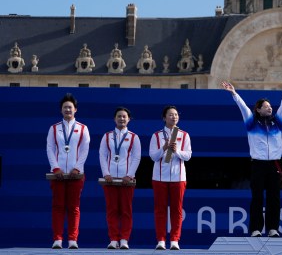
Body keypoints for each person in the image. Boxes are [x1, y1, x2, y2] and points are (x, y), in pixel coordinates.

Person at [221, 80, 282, 237]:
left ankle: (273, 228)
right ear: (258, 110)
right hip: (258, 165)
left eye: (270, 106)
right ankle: (256, 229)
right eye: (266, 106)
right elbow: (243, 108)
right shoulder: (251, 123)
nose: (270, 108)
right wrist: (234, 93)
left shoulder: (277, 123)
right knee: (257, 198)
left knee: (274, 198)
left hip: (274, 165)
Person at [46, 93, 91, 250]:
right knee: (58, 206)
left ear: (75, 110)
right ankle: (57, 239)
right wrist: (55, 167)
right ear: (61, 110)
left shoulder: (83, 128)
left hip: (76, 174)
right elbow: (50, 149)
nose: (67, 109)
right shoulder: (54, 129)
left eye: (70, 107)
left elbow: (85, 150)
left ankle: (73, 239)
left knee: (74, 207)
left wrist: (78, 167)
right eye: (65, 107)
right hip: (57, 174)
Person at [149, 106, 192, 250]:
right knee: (160, 210)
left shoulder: (184, 135)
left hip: (178, 177)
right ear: (164, 118)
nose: (174, 117)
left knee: (177, 210)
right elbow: (153, 156)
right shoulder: (156, 136)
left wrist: (177, 151)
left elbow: (188, 156)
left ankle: (175, 240)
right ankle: (161, 240)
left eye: (176, 115)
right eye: (170, 115)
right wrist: (164, 148)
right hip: (159, 177)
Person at [99, 107, 142, 249]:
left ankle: (124, 239)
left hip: (126, 180)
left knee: (126, 210)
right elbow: (102, 156)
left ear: (129, 119)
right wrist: (106, 173)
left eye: (124, 116)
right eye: (119, 116)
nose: (121, 119)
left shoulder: (134, 137)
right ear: (114, 119)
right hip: (110, 178)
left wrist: (129, 175)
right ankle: (113, 239)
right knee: (111, 210)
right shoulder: (107, 136)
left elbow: (136, 157)